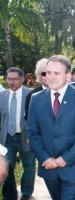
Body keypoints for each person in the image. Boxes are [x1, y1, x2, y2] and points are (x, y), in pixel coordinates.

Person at [27, 55, 75, 200]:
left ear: (68, 75)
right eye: (48, 72)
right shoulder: (36, 99)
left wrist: (63, 159)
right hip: (48, 168)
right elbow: (32, 133)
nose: (50, 77)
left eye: (56, 73)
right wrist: (45, 158)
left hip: (73, 168)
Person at [0, 67, 35, 200]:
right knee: (6, 167)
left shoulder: (32, 94)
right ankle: (10, 195)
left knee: (29, 167)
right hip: (7, 138)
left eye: (15, 79)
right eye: (9, 79)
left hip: (26, 138)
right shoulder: (2, 96)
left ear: (22, 79)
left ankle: (26, 193)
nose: (12, 82)